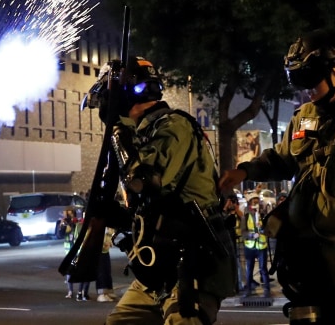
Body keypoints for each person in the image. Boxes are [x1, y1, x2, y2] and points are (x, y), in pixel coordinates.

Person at [219, 28, 335, 325]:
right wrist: (245, 171)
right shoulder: (304, 116)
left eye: (309, 79)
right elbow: (282, 158)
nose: (304, 89)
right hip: (311, 262)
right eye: (298, 81)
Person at [88, 57, 235, 324]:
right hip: (159, 267)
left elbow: (145, 181)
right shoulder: (144, 134)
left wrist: (119, 134)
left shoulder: (173, 126)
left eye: (111, 98)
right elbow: (152, 207)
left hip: (193, 264)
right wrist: (115, 215)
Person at [242, 191, 270, 298]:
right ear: (250, 203)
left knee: (263, 268)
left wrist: (262, 228)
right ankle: (248, 289)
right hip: (250, 246)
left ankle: (266, 289)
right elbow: (243, 232)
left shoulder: (263, 214)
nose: (256, 204)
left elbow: (268, 228)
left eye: (257, 202)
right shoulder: (246, 215)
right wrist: (251, 235)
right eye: (254, 202)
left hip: (261, 246)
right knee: (250, 269)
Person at [223, 193, 245, 294]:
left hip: (239, 242)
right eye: (230, 201)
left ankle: (240, 285)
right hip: (228, 243)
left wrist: (236, 210)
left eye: (233, 201)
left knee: (241, 266)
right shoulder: (224, 214)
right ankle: (233, 286)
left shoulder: (239, 212)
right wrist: (226, 208)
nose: (231, 203)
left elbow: (244, 219)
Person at [58, 207, 79, 299]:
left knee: (78, 270)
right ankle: (70, 291)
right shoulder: (64, 223)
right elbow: (59, 235)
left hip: (77, 250)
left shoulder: (76, 222)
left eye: (70, 214)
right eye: (66, 214)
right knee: (69, 271)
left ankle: (81, 291)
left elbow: (75, 230)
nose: (68, 216)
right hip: (68, 251)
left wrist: (71, 223)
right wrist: (62, 224)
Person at [95, 227, 118, 302]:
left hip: (105, 250)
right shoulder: (99, 224)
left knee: (107, 271)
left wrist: (110, 243)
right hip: (99, 251)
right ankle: (101, 294)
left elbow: (110, 236)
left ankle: (108, 291)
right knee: (101, 272)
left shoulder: (109, 227)